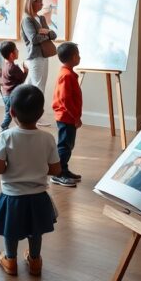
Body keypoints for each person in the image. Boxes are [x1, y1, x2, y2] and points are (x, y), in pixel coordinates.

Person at [0, 85, 61, 276]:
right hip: (38, 196)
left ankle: (10, 260)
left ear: (12, 112)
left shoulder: (5, 137)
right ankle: (35, 260)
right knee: (35, 231)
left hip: (12, 197)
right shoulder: (47, 138)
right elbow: (55, 169)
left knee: (10, 231)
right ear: (41, 113)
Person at [20, 0, 57, 127]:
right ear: (32, 3)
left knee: (30, 86)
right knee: (38, 87)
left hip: (44, 55)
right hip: (35, 57)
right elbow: (33, 39)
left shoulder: (41, 18)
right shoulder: (27, 20)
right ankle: (36, 116)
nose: (42, 4)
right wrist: (45, 33)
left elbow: (54, 34)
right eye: (39, 1)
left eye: (42, 1)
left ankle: (22, 111)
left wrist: (45, 32)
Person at [51, 42, 83, 187]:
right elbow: (65, 99)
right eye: (78, 54)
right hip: (66, 117)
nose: (80, 57)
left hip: (67, 117)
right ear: (74, 57)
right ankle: (58, 174)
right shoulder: (67, 75)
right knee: (64, 146)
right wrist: (75, 117)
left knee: (68, 145)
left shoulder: (67, 73)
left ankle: (64, 169)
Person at [0, 41, 27, 134]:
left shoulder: (5, 65)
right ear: (11, 54)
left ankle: (18, 127)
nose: (18, 51)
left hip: (6, 94)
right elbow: (22, 79)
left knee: (11, 112)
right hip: (12, 95)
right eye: (16, 50)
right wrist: (26, 71)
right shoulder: (13, 67)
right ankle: (2, 128)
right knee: (10, 114)